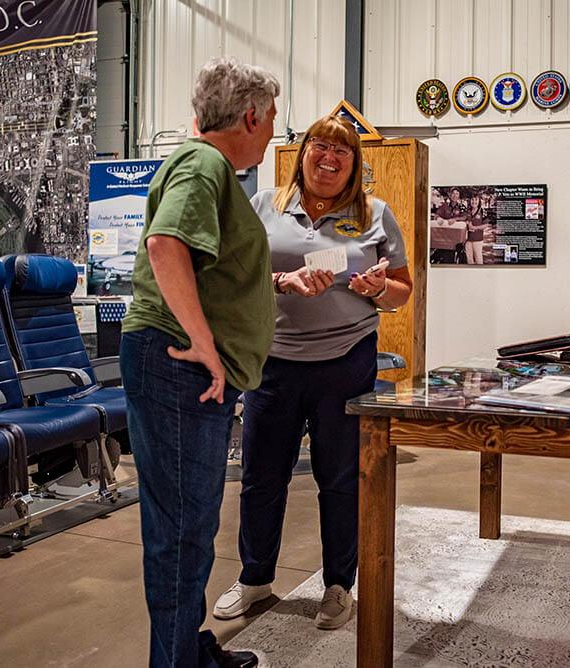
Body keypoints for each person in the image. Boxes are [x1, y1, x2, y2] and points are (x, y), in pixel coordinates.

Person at [213, 114, 412, 630]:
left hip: (345, 362)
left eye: (341, 151)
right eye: (319, 147)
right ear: (302, 154)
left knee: (341, 478)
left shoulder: (375, 213)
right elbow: (236, 274)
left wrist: (375, 289)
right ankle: (255, 577)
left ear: (354, 163)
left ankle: (339, 586)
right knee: (261, 476)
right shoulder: (264, 205)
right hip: (272, 360)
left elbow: (402, 289)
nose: (328, 158)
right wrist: (283, 279)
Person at [119, 57, 279, 668]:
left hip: (178, 364)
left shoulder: (209, 167)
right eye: (270, 122)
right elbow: (165, 244)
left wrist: (274, 287)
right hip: (178, 364)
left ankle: (186, 648)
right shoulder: (204, 161)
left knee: (188, 524)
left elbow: (210, 270)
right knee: (182, 532)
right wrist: (206, 346)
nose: (270, 135)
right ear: (250, 115)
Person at [464, 193, 487, 264]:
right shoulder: (468, 211)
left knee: (479, 260)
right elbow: (466, 222)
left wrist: (475, 227)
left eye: (476, 200)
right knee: (469, 260)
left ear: (479, 201)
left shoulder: (483, 211)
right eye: (472, 200)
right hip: (468, 240)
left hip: (478, 240)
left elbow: (486, 225)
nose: (474, 202)